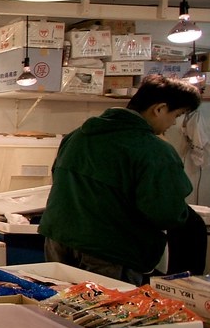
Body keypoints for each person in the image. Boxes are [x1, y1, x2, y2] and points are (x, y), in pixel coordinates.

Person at [40, 75, 202, 285]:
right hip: (110, 251)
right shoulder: (154, 150)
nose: (173, 124)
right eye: (177, 115)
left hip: (57, 241)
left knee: (60, 310)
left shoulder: (76, 136)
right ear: (159, 108)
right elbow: (165, 213)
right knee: (105, 314)